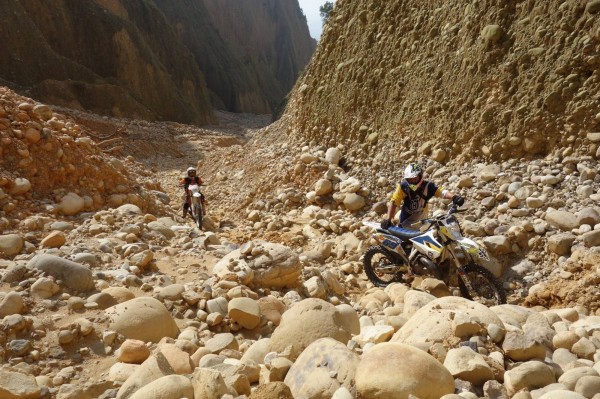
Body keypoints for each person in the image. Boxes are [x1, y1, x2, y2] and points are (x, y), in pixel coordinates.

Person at [381, 162, 464, 229]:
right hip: (405, 224)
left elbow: (442, 192)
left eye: (415, 178)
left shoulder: (428, 186)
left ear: (420, 176)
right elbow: (394, 202)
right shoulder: (403, 187)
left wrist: (454, 197)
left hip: (423, 224)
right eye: (410, 179)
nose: (413, 181)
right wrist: (388, 219)